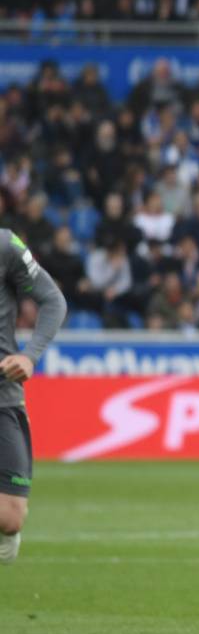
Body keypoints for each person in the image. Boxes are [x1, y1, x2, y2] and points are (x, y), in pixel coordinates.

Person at [0, 230, 68, 565]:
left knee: (11, 517)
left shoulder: (5, 246)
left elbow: (53, 300)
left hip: (2, 393)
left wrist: (30, 355)